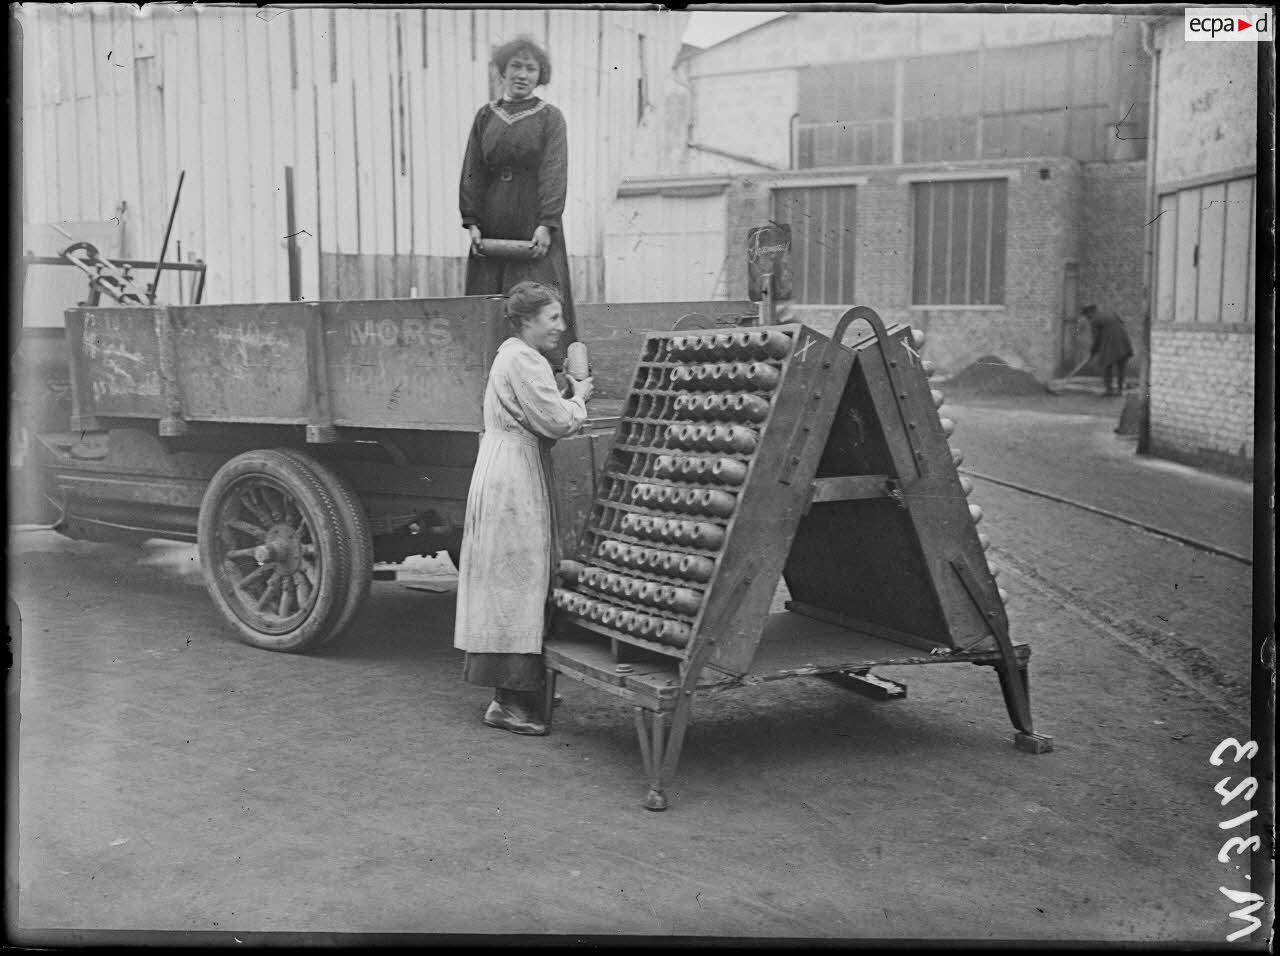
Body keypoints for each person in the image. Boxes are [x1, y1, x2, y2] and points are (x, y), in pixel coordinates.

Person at [453, 281, 594, 736]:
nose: (561, 326)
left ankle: (523, 691)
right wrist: (580, 397)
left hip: (510, 467)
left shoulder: (516, 357)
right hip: (512, 476)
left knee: (517, 577)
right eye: (553, 318)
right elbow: (556, 420)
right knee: (516, 579)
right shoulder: (523, 359)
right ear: (528, 320)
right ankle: (507, 703)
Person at [460, 35, 578, 370]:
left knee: (537, 291)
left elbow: (555, 171)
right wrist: (473, 222)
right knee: (489, 293)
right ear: (503, 71)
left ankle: (546, 370)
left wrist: (547, 223)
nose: (522, 74)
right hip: (493, 217)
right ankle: (488, 369)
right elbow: (473, 169)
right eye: (516, 66)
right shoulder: (486, 116)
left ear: (541, 75)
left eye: (530, 68)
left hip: (533, 219)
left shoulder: (550, 117)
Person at [1081, 304, 1135, 397]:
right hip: (1124, 341)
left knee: (1106, 366)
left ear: (1090, 313)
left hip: (1112, 345)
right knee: (1121, 368)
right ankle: (1119, 390)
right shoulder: (1111, 313)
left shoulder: (1095, 320)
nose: (1087, 318)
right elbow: (1121, 323)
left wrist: (1093, 352)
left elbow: (1097, 339)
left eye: (1087, 316)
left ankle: (1109, 390)